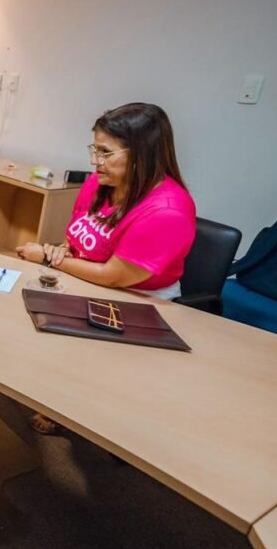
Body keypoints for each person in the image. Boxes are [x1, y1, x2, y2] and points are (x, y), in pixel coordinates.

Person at [16, 102, 196, 434]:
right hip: (92, 282)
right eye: (94, 149)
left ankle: (78, 408)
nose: (93, 161)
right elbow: (77, 237)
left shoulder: (168, 210)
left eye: (105, 152)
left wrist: (45, 256)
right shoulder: (100, 184)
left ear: (141, 154)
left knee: (75, 350)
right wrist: (62, 250)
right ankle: (60, 393)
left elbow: (113, 275)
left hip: (139, 301)